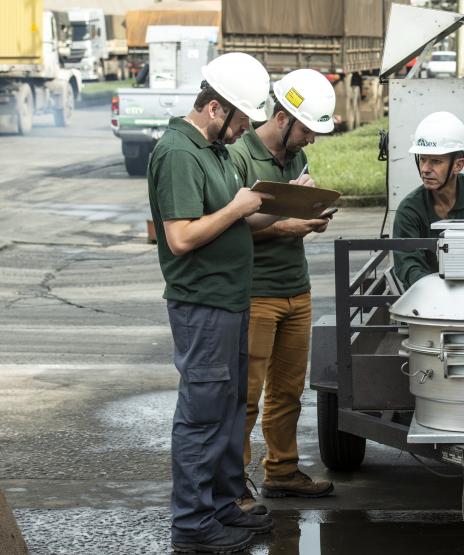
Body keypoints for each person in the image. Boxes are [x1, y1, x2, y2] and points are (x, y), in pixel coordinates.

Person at [147, 52, 280, 554]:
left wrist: (287, 209)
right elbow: (180, 237)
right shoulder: (179, 153)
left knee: (227, 409)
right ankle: (192, 524)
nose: (244, 129)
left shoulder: (216, 151)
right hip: (201, 305)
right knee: (203, 414)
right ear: (214, 108)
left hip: (228, 302)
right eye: (241, 118)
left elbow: (236, 222)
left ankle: (223, 505)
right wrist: (238, 206)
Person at [227, 68, 336, 513]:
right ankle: (234, 486)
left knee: (288, 391)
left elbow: (293, 216)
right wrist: (284, 225)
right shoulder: (238, 157)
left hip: (297, 289)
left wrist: (312, 216)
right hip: (257, 294)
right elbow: (229, 228)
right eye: (307, 129)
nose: (310, 139)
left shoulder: (296, 159)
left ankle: (282, 470)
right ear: (282, 117)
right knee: (246, 397)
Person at [392, 111, 464, 288]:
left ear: (458, 165)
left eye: (436, 161)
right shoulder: (409, 210)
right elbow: (408, 265)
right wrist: (438, 292)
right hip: (430, 303)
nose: (425, 169)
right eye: (422, 160)